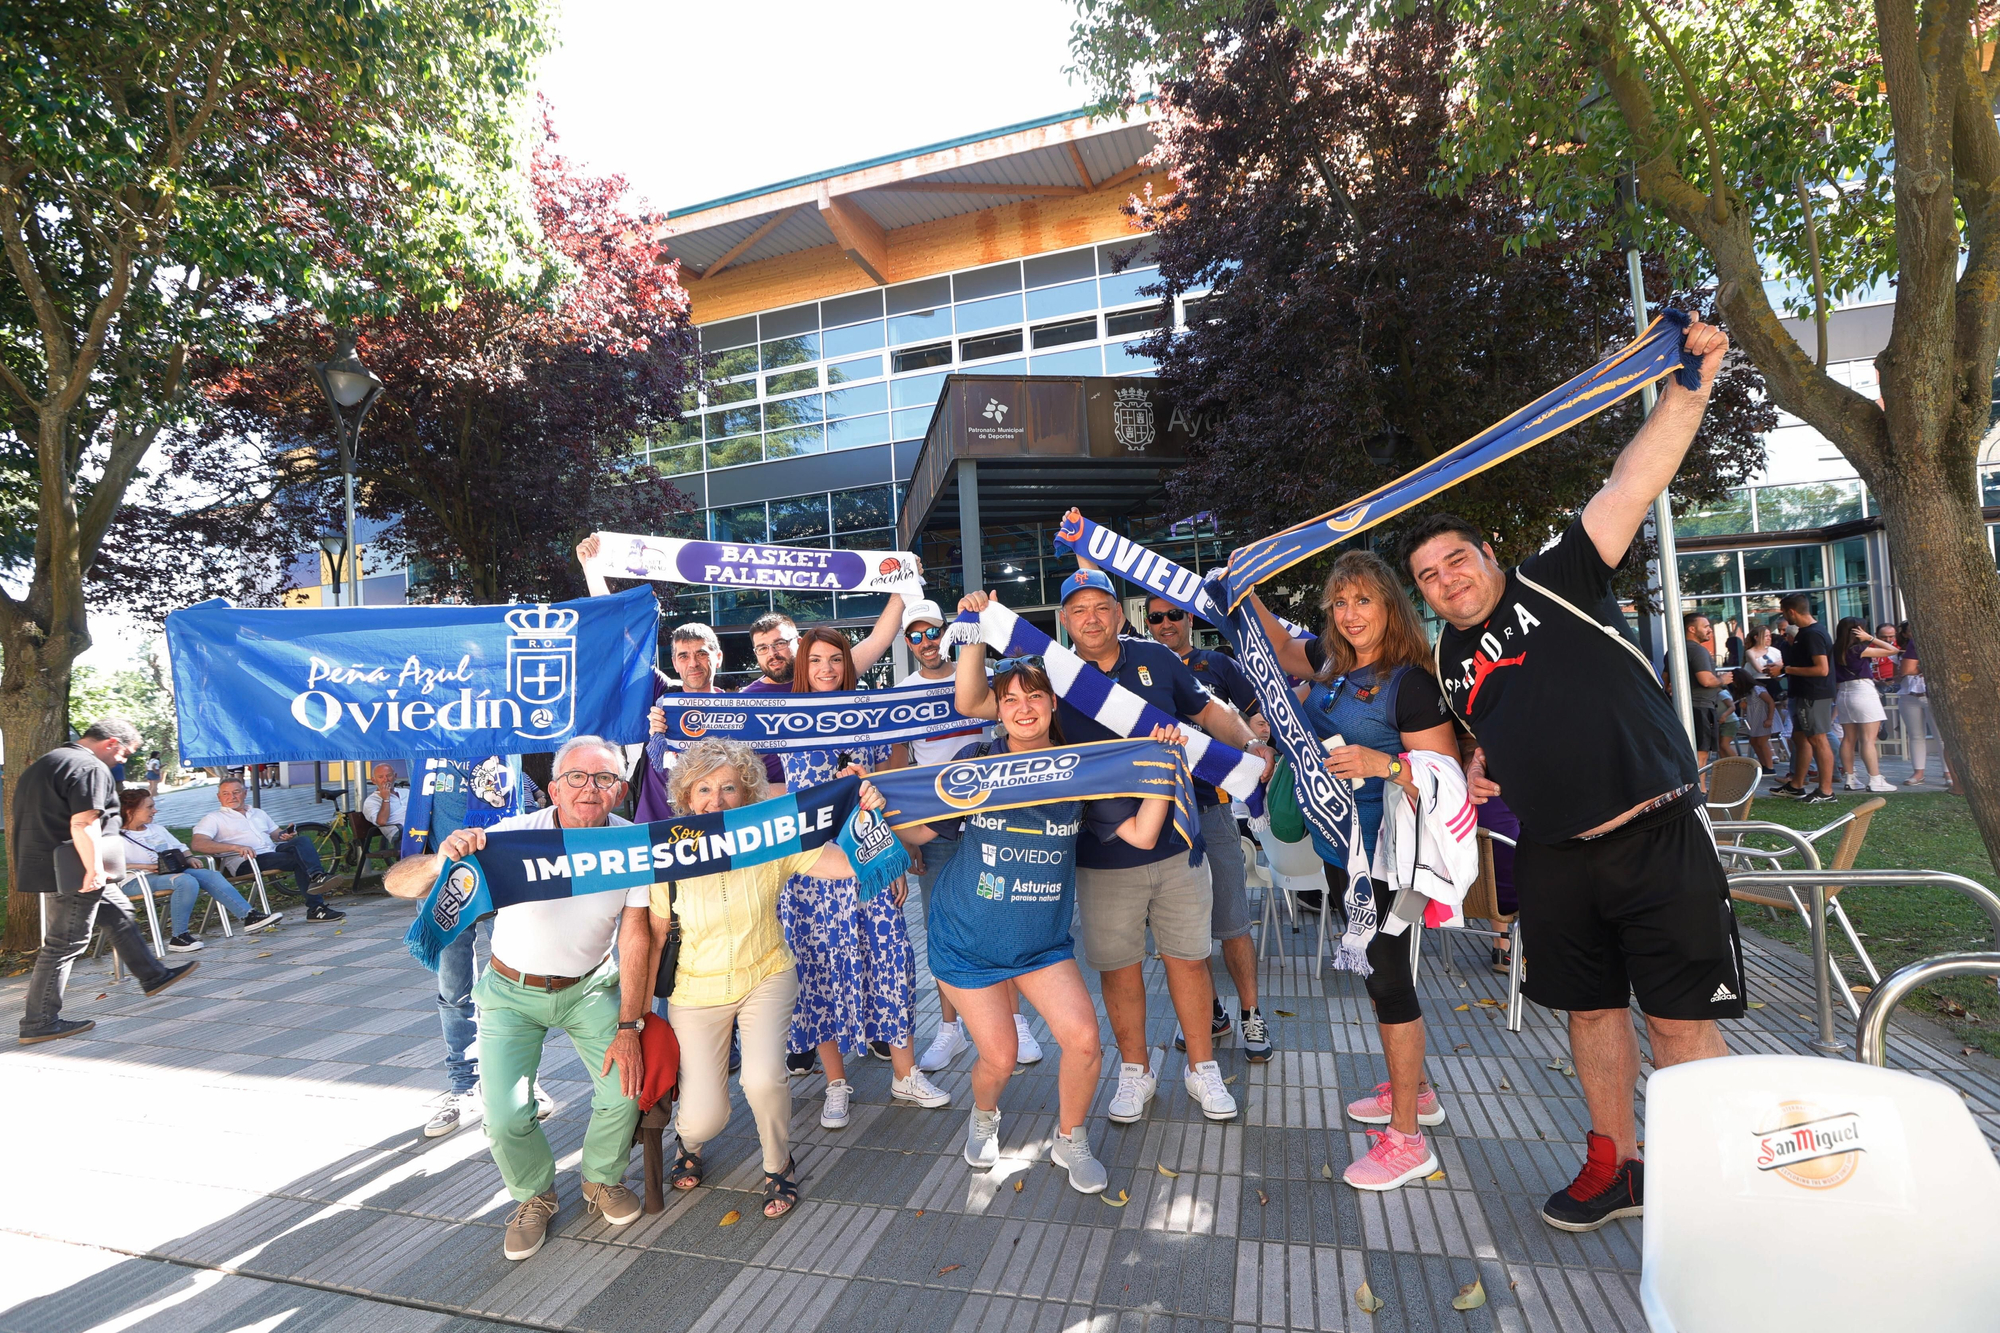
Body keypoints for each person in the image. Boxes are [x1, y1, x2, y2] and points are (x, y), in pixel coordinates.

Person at [1402, 315, 1741, 1232]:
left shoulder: (1560, 572)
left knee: (1676, 1021)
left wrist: (1690, 384)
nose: (1446, 580)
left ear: (1489, 556)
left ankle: (1709, 1182)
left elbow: (1637, 474)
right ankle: (1616, 1163)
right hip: (1554, 855)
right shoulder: (1448, 664)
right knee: (1590, 1014)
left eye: (1456, 560)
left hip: (1656, 830)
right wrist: (1476, 769)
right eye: (1428, 576)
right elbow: (1496, 735)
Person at [956, 573, 1275, 1125]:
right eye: (1078, 610)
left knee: (1190, 962)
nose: (1092, 618)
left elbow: (1208, 714)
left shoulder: (1158, 658)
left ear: (1120, 615)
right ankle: (1134, 1071)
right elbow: (975, 700)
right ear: (1064, 622)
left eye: (1102, 607)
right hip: (1101, 852)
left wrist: (1247, 743)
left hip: (1177, 840)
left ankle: (1203, 1069)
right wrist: (976, 625)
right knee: (1120, 970)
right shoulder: (1052, 674)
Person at [900, 654, 1180, 1193]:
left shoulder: (1079, 767)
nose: (1023, 708)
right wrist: (874, 803)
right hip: (967, 939)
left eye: (1034, 697)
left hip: (1041, 943)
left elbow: (1142, 835)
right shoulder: (977, 759)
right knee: (999, 1058)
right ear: (998, 711)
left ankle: (1069, 1138)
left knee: (1083, 1042)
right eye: (1010, 699)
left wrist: (1160, 767)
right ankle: (984, 1115)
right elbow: (922, 832)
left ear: (1053, 704)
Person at [383, 736, 652, 1262]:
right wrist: (443, 859)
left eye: (603, 779)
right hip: (511, 990)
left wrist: (630, 1027)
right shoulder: (509, 837)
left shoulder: (633, 844)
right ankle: (534, 1195)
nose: (589, 789)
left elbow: (636, 935)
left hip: (589, 986)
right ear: (553, 788)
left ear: (620, 791)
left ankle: (600, 1179)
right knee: (504, 1115)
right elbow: (398, 884)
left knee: (624, 1090)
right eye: (577, 776)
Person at [1246, 551, 1461, 1190]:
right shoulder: (1334, 666)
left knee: (1392, 983)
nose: (1351, 613)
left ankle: (1408, 1139)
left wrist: (1385, 764)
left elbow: (1443, 781)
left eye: (1363, 600)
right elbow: (1282, 648)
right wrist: (1243, 591)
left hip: (1392, 860)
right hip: (1343, 853)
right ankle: (1415, 1091)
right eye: (1340, 603)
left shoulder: (1412, 683)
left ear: (1389, 604)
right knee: (1376, 978)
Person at [652, 738, 892, 1217]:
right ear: (685, 797)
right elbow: (656, 937)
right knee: (703, 1118)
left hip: (766, 974)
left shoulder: (768, 838)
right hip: (695, 990)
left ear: (748, 793)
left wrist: (864, 814)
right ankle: (690, 1141)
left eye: (728, 788)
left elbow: (845, 866)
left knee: (762, 1079)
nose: (715, 800)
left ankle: (778, 1163)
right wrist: (634, 1017)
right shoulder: (667, 851)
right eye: (702, 789)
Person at [776, 626, 952, 1113]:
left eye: (835, 659)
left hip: (870, 861)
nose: (826, 669)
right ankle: (836, 1084)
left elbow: (889, 793)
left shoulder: (870, 716)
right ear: (802, 668)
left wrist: (892, 854)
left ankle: (905, 1074)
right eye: (815, 661)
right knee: (818, 973)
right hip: (810, 871)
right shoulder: (784, 719)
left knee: (891, 962)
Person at [1130, 581, 1272, 1064]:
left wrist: (1255, 741)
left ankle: (1252, 1013)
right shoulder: (1138, 665)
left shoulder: (1219, 665)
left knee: (1232, 918)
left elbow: (1258, 714)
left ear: (1190, 618)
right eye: (1156, 618)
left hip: (1211, 805)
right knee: (1182, 929)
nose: (1166, 623)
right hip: (1162, 811)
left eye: (1174, 615)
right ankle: (1210, 1012)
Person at [886, 599, 1026, 1073]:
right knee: (942, 928)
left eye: (933, 632)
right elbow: (897, 765)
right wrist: (904, 838)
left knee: (1004, 918)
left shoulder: (982, 675)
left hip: (994, 820)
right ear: (907, 641)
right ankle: (950, 1030)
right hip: (936, 828)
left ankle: (1015, 1021)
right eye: (916, 635)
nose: (926, 642)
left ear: (949, 633)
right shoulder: (902, 692)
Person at [17, 720, 200, 1044]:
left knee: (120, 914)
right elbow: (83, 821)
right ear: (112, 743)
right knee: (65, 943)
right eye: (126, 753)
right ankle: (40, 1021)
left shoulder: (48, 762)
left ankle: (153, 975)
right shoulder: (89, 766)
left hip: (53, 864)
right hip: (75, 869)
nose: (124, 760)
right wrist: (93, 868)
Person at [119, 787, 283, 950]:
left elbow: (181, 847)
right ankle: (179, 937)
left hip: (168, 872)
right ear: (129, 810)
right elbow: (107, 865)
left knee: (211, 875)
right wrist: (146, 866)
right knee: (185, 881)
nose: (155, 810)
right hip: (135, 880)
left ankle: (249, 916)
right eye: (149, 807)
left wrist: (189, 857)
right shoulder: (113, 836)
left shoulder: (157, 829)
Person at [190, 777, 346, 920]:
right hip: (247, 860)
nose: (232, 797)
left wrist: (285, 835)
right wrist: (234, 847)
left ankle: (317, 877)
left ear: (245, 793)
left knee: (302, 841)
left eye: (236, 792)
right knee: (300, 860)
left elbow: (276, 834)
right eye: (226, 793)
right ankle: (316, 905)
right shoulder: (214, 819)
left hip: (271, 852)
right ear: (219, 797)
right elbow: (198, 844)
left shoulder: (258, 813)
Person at [1773, 593, 1837, 804]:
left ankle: (1826, 792)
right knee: (1801, 739)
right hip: (1802, 694)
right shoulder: (1804, 633)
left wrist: (1785, 669)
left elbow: (1821, 669)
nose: (1783, 616)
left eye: (1783, 612)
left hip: (1814, 694)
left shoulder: (1813, 634)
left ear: (1791, 611)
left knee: (1818, 739)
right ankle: (1796, 785)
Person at [1833, 617, 1898, 793]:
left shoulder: (1835, 649)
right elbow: (1892, 650)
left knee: (1848, 738)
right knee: (1868, 739)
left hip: (1843, 693)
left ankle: (1850, 777)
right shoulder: (1859, 649)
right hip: (1862, 691)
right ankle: (1875, 779)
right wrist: (1870, 638)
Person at [1896, 622, 1951, 788]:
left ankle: (1948, 772)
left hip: (1932, 693)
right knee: (1915, 735)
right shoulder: (1903, 650)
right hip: (1909, 693)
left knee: (1941, 736)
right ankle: (1918, 772)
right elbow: (1902, 672)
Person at [1682, 613, 1726, 773]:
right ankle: (1700, 791)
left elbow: (1666, 681)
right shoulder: (1698, 651)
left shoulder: (1676, 649)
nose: (1710, 630)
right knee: (1701, 753)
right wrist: (1723, 679)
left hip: (1685, 707)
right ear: (1692, 629)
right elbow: (1706, 680)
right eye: (1706, 626)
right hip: (1701, 707)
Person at [1739, 625, 1785, 772]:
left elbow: (1783, 666)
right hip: (1761, 686)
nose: (1769, 638)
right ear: (1756, 637)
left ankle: (1769, 763)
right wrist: (1776, 667)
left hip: (1772, 687)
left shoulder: (1775, 651)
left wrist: (1779, 669)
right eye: (1765, 635)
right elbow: (1759, 669)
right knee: (1757, 737)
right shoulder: (1750, 653)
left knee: (1764, 734)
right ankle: (1766, 763)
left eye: (1769, 635)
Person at [361, 763, 407, 846]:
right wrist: (386, 799)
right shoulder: (371, 801)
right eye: (381, 777)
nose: (386, 780)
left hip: (420, 827)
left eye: (389, 775)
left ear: (395, 776)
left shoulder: (406, 792)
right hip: (400, 833)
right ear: (374, 780)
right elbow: (382, 822)